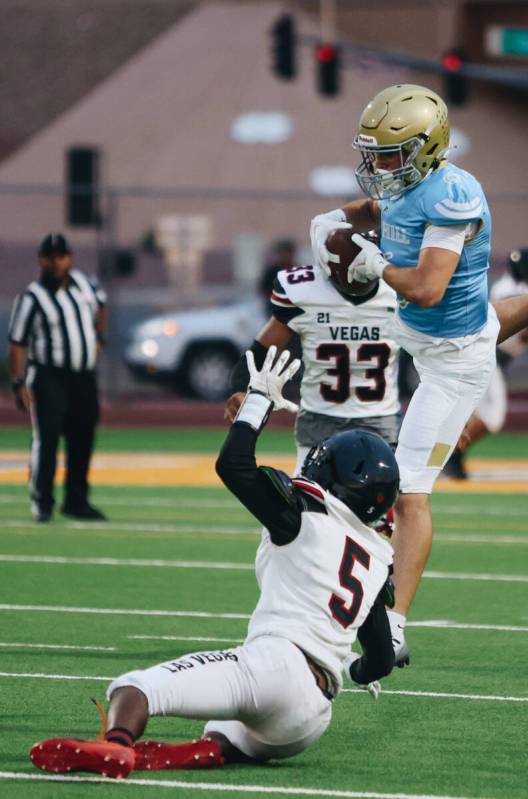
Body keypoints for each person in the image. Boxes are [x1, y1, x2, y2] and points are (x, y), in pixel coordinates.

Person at [309, 83, 528, 664]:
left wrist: (369, 259)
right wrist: (332, 219)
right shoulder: (408, 183)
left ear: (426, 148)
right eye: (373, 153)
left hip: (449, 356)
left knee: (410, 492)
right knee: (486, 323)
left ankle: (393, 624)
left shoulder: (451, 197)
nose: (377, 167)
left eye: (389, 154)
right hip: (426, 330)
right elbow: (377, 209)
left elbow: (426, 286)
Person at [29, 347, 399, 779]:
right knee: (226, 730)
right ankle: (211, 749)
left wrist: (258, 400)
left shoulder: (305, 512)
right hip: (311, 719)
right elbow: (378, 661)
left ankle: (117, 747)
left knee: (134, 687)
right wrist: (354, 668)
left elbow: (233, 465)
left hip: (276, 668)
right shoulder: (378, 557)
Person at [225, 231, 400, 474]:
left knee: (386, 503)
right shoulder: (307, 292)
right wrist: (240, 386)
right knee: (308, 506)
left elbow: (431, 356)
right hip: (321, 419)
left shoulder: (398, 291)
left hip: (379, 420)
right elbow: (262, 349)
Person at [7, 233, 107, 522]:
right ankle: (43, 501)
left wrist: (99, 336)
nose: (56, 262)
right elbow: (17, 341)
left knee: (82, 437)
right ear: (41, 259)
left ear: (69, 257)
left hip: (83, 376)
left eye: (61, 256)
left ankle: (76, 501)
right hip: (49, 376)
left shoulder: (85, 286)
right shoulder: (32, 297)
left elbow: (102, 305)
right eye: (50, 257)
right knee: (47, 438)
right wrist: (18, 381)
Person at [446, 247, 528, 479]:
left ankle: (451, 452)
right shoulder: (508, 290)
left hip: (488, 356)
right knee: (492, 415)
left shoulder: (519, 287)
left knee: (474, 412)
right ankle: (451, 454)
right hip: (484, 355)